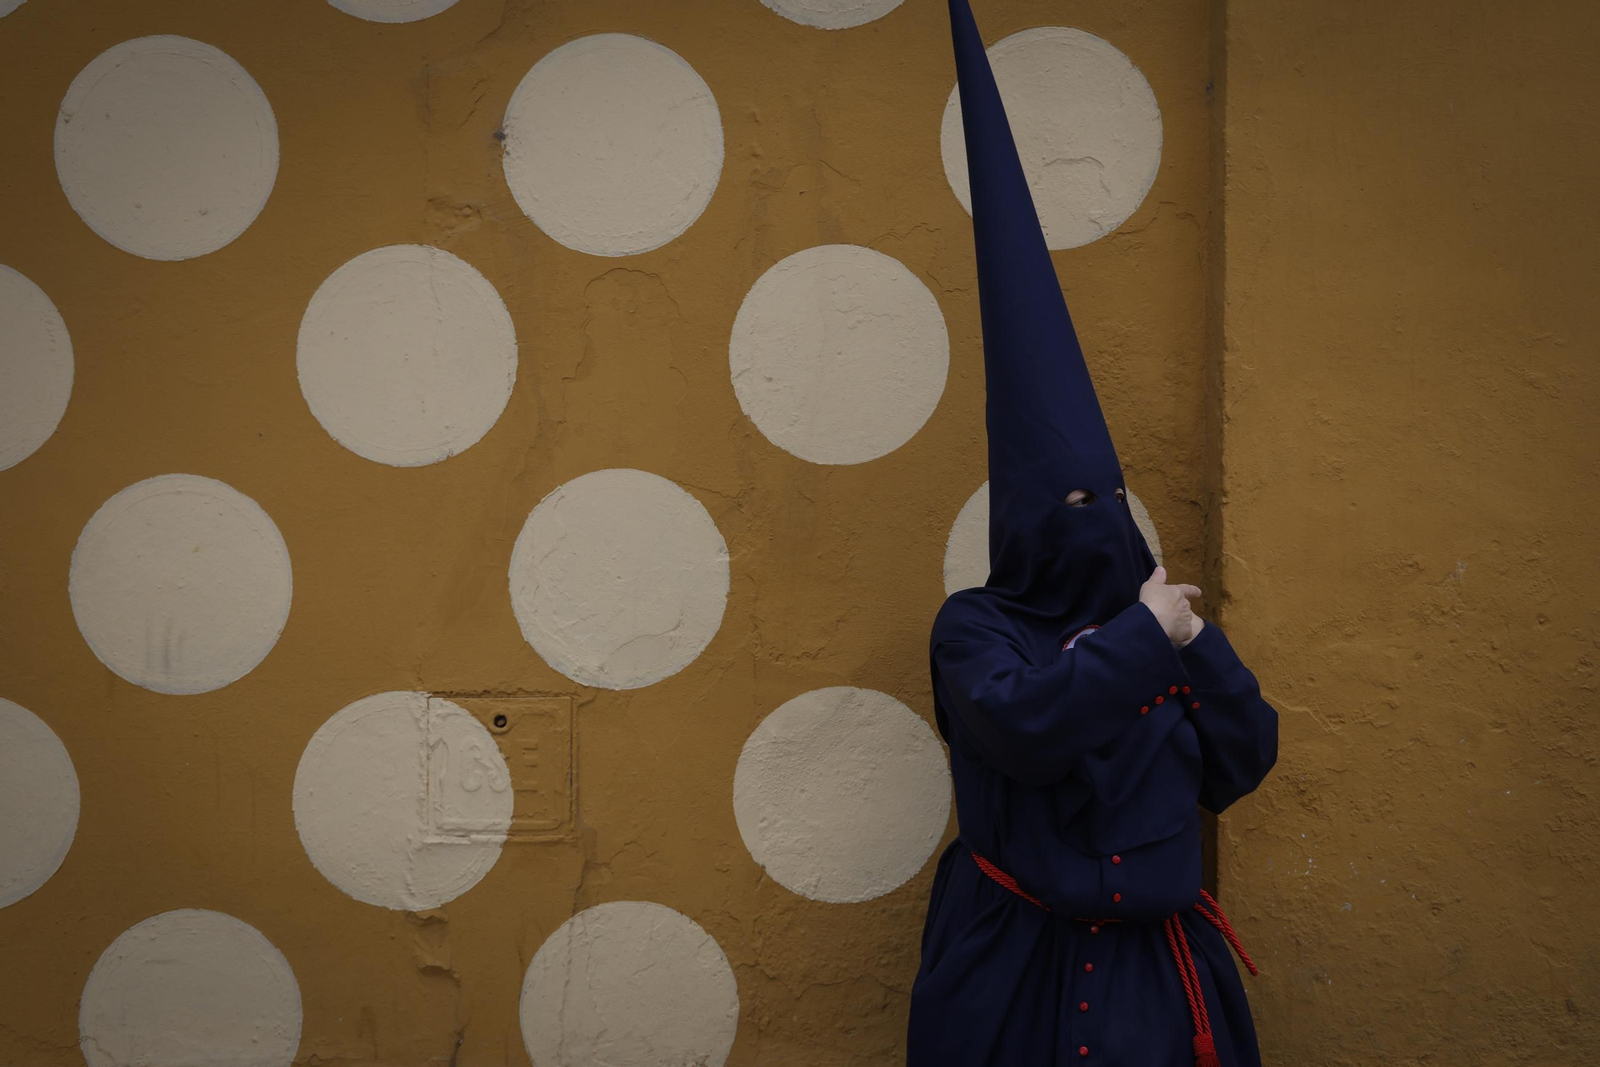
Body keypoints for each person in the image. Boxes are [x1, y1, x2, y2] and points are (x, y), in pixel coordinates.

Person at [906, 3, 1280, 1065]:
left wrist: (1195, 643)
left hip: (1153, 984)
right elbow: (1023, 723)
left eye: (1103, 503)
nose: (1091, 526)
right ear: (1020, 524)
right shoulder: (974, 629)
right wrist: (1142, 641)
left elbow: (1240, 761)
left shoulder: (1153, 625)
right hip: (1009, 970)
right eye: (1067, 507)